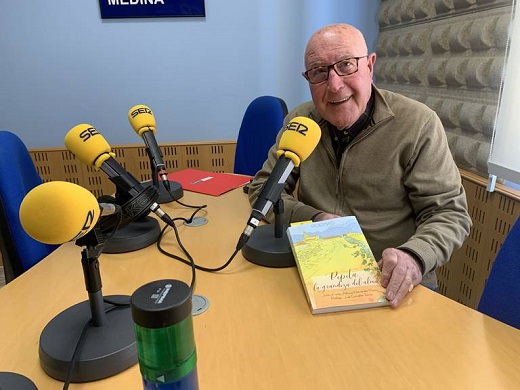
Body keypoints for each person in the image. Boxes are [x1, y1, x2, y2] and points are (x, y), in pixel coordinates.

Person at [248, 24, 472, 308]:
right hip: (317, 272)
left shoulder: (418, 125)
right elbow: (262, 190)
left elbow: (450, 214)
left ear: (370, 65)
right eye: (319, 71)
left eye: (346, 65)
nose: (334, 84)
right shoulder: (301, 121)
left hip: (391, 283)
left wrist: (414, 256)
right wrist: (314, 218)